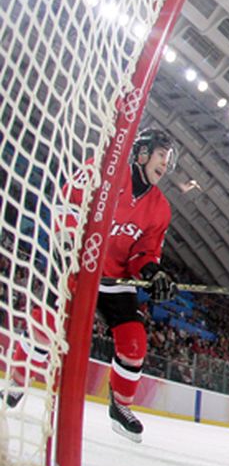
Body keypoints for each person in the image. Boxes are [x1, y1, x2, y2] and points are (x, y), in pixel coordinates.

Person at [62, 127, 178, 441]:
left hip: (115, 281)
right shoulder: (103, 170)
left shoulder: (161, 208)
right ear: (142, 153)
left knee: (134, 342)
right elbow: (69, 205)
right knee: (48, 323)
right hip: (80, 269)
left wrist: (153, 273)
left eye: (167, 158)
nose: (165, 164)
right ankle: (17, 379)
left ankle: (121, 406)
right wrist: (70, 242)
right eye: (161, 155)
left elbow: (144, 253)